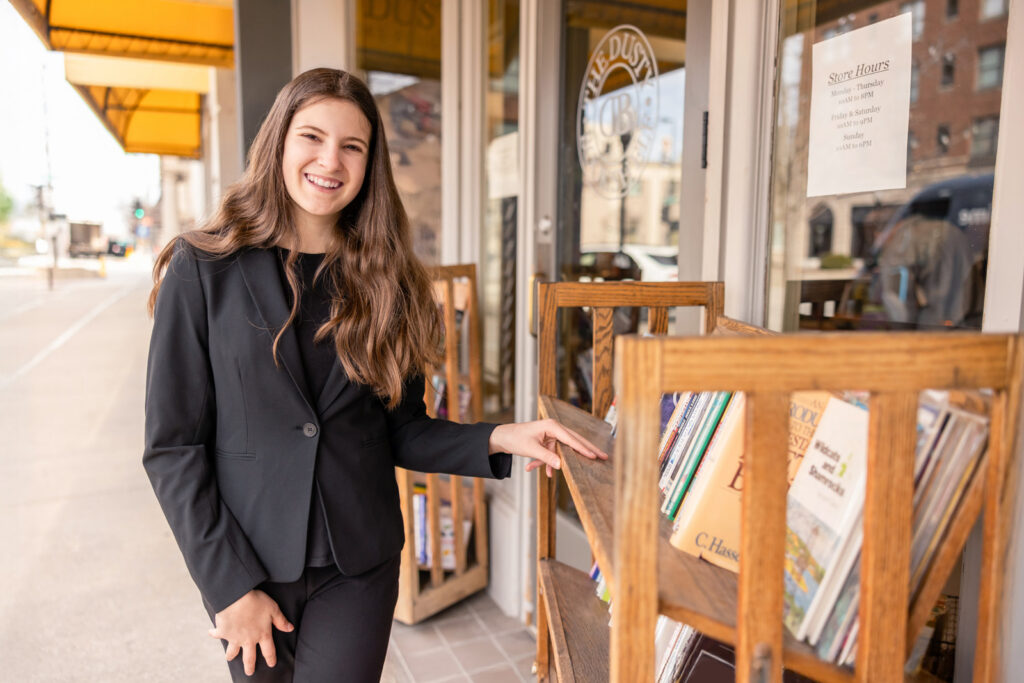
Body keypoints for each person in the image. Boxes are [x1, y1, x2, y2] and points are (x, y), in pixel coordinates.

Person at [143, 68, 605, 682]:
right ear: (279, 141)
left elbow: (400, 430)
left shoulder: (393, 281)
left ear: (370, 163)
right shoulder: (203, 269)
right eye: (312, 137)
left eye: (351, 146)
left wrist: (497, 438)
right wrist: (229, 588)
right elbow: (173, 448)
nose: (329, 160)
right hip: (248, 562)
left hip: (357, 563)